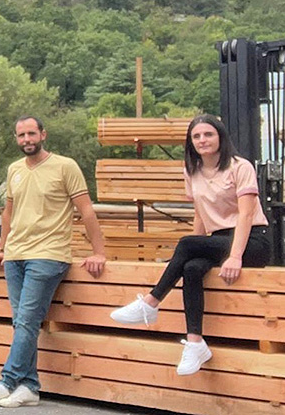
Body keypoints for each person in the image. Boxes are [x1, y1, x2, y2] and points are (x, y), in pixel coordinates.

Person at [110, 114, 272, 375]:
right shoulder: (192, 170)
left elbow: (245, 214)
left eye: (208, 134)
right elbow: (200, 213)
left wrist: (235, 256)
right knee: (192, 267)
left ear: (220, 136)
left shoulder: (240, 167)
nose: (202, 140)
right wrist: (188, 253)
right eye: (196, 136)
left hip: (252, 239)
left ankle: (151, 303)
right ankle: (195, 342)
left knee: (186, 244)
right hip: (218, 239)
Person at [0, 116, 107, 408]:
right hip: (16, 257)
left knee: (26, 321)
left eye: (31, 133)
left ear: (43, 134)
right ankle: (30, 387)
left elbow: (86, 210)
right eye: (21, 134)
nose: (26, 139)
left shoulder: (65, 166)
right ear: (16, 138)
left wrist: (99, 251)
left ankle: (6, 381)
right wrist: (4, 249)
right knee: (23, 322)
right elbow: (8, 213)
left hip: (49, 255)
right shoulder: (14, 170)